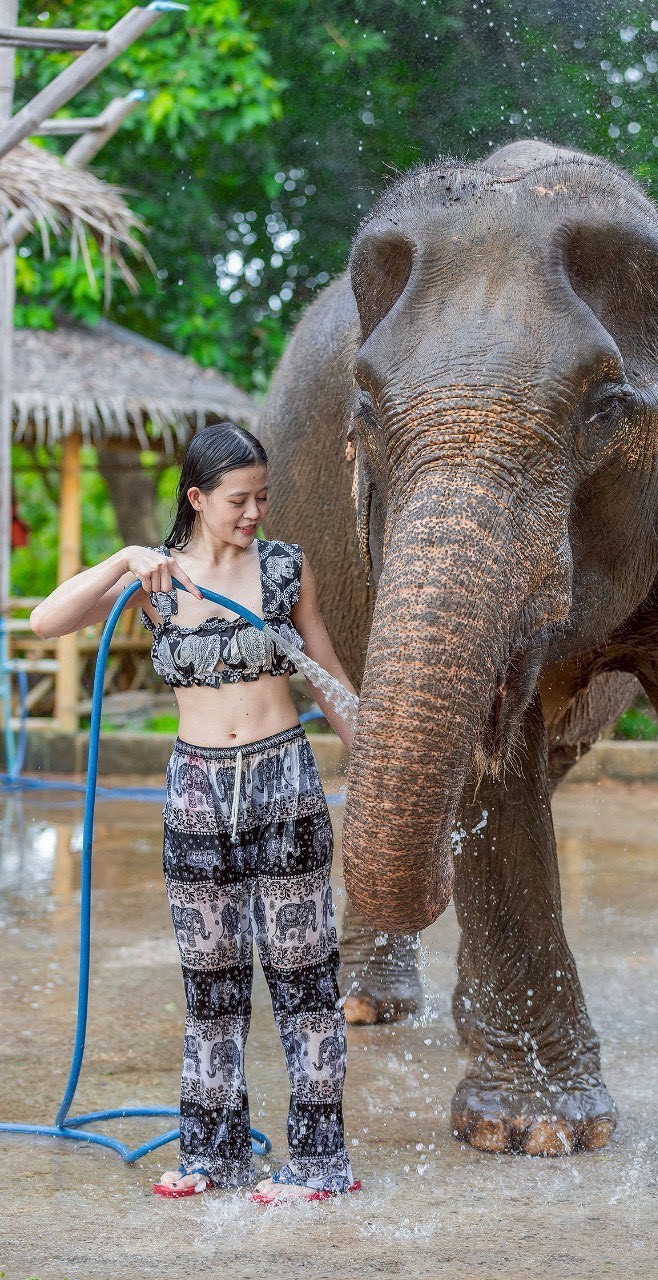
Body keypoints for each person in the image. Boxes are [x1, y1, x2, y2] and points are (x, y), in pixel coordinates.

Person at [30, 421, 359, 1204]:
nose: (254, 513)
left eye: (262, 498)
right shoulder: (159, 579)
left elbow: (326, 675)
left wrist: (386, 762)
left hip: (284, 785)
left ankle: (320, 1164)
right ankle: (215, 1156)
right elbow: (48, 622)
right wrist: (122, 559)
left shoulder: (284, 569)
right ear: (198, 498)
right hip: (196, 797)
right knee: (211, 989)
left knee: (304, 982)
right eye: (239, 500)